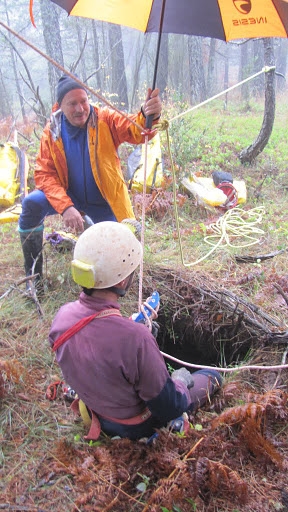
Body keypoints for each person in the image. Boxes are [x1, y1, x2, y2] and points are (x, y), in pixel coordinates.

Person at [49, 221, 222, 441]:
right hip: (133, 427)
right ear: (122, 279)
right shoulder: (136, 339)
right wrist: (178, 380)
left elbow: (96, 344)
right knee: (212, 376)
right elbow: (168, 405)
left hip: (96, 409)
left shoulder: (62, 316)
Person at [18, 74, 162, 288]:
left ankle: (111, 283)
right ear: (60, 106)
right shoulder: (52, 131)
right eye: (72, 103)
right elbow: (44, 175)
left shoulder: (104, 119)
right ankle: (34, 280)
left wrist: (149, 114)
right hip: (69, 197)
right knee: (31, 204)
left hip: (104, 200)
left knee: (122, 247)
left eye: (83, 101)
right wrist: (66, 207)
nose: (80, 108)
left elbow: (137, 131)